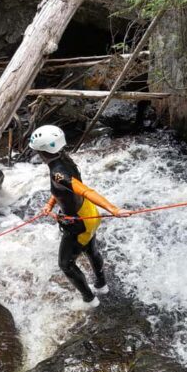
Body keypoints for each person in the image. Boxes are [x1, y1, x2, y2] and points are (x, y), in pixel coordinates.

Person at [28, 125, 127, 308]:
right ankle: (101, 284)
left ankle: (91, 300)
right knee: (91, 249)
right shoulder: (65, 160)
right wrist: (50, 204)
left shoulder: (58, 173)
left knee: (66, 264)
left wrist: (113, 209)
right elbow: (69, 189)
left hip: (79, 223)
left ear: (42, 152)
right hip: (89, 214)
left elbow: (85, 190)